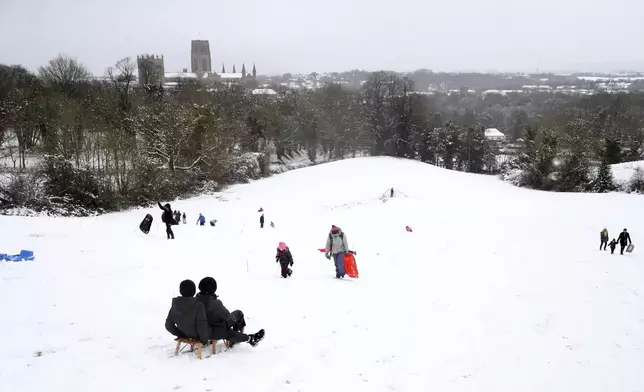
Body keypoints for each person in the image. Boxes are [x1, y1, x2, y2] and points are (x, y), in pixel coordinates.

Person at [195, 277, 265, 348]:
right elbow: (228, 317)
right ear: (214, 289)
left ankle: (243, 337)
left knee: (228, 325)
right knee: (238, 314)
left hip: (202, 330)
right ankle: (249, 339)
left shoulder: (194, 301)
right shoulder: (215, 304)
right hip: (216, 331)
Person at [165, 280, 209, 345]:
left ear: (180, 291)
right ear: (194, 291)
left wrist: (180, 334)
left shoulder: (175, 304)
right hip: (197, 335)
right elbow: (201, 324)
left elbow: (168, 325)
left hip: (183, 333)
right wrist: (204, 340)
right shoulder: (198, 304)